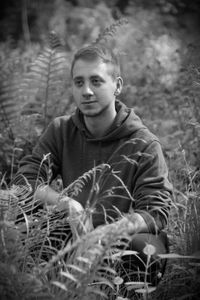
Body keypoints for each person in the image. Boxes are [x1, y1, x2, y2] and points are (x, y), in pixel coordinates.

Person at [12, 43, 172, 290]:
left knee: (146, 248)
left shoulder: (144, 143)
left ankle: (120, 292)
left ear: (117, 85)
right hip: (72, 235)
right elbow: (25, 181)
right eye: (79, 82)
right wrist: (67, 204)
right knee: (19, 224)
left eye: (96, 81)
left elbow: (156, 211)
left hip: (121, 242)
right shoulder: (61, 130)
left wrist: (107, 233)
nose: (86, 91)